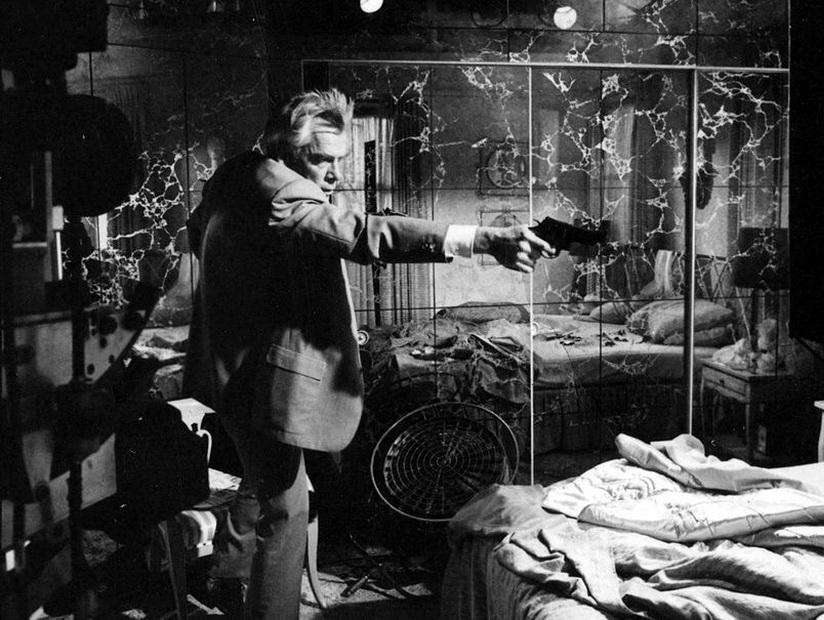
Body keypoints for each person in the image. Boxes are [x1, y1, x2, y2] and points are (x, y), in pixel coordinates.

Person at [183, 88, 554, 619]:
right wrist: (482, 239)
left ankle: (226, 576)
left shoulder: (235, 174)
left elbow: (203, 236)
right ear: (285, 149)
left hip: (230, 368)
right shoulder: (284, 195)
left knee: (267, 480)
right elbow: (363, 234)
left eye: (340, 160)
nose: (334, 174)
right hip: (258, 377)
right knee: (287, 510)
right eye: (322, 159)